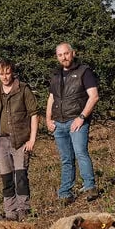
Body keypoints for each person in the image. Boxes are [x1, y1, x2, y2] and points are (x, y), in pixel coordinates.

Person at [45, 42, 100, 202]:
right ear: (57, 57)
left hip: (77, 121)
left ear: (73, 53)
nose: (64, 57)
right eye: (60, 55)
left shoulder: (84, 71)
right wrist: (48, 120)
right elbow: (51, 98)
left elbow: (94, 96)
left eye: (66, 53)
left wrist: (81, 117)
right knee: (66, 158)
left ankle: (90, 187)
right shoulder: (55, 75)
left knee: (80, 153)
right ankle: (65, 193)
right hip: (58, 124)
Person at [0, 59, 39, 221]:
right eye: (1, 73)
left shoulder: (23, 89)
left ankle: (24, 208)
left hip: (20, 139)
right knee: (6, 178)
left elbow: (34, 114)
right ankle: (10, 211)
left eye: (7, 72)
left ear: (12, 71)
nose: (5, 76)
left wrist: (32, 139)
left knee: (21, 176)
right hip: (0, 141)